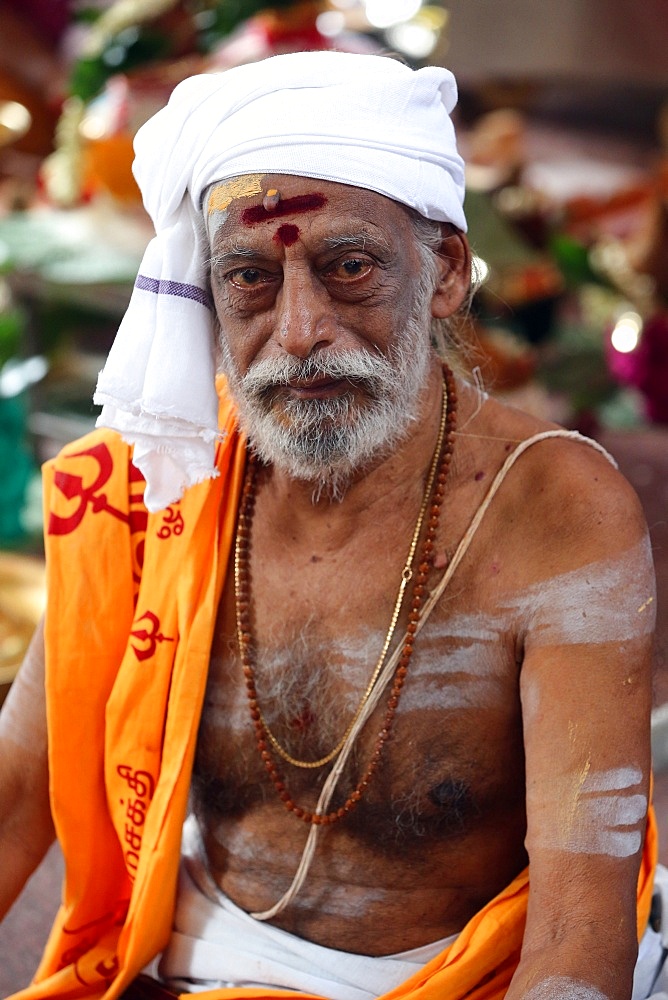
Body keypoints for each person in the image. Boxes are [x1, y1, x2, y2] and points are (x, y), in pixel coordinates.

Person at [0, 51, 661, 1000]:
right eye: (251, 279)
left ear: (443, 272)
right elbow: (18, 792)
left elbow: (575, 935)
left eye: (348, 267)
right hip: (187, 959)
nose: (301, 329)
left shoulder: (559, 512)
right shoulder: (153, 480)